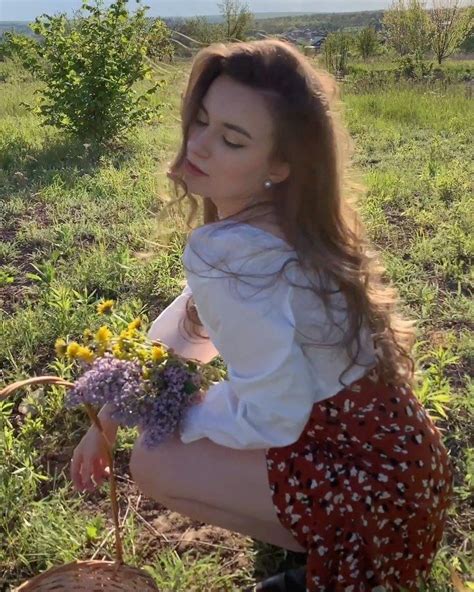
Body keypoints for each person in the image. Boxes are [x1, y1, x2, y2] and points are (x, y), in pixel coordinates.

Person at [70, 39, 455, 591]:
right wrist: (112, 412)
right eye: (201, 120)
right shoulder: (291, 223)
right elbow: (192, 323)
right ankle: (308, 536)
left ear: (279, 164)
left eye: (232, 139)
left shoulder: (233, 255)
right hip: (407, 471)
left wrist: (176, 412)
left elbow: (271, 418)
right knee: (179, 442)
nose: (198, 145)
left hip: (369, 498)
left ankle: (323, 549)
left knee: (155, 461)